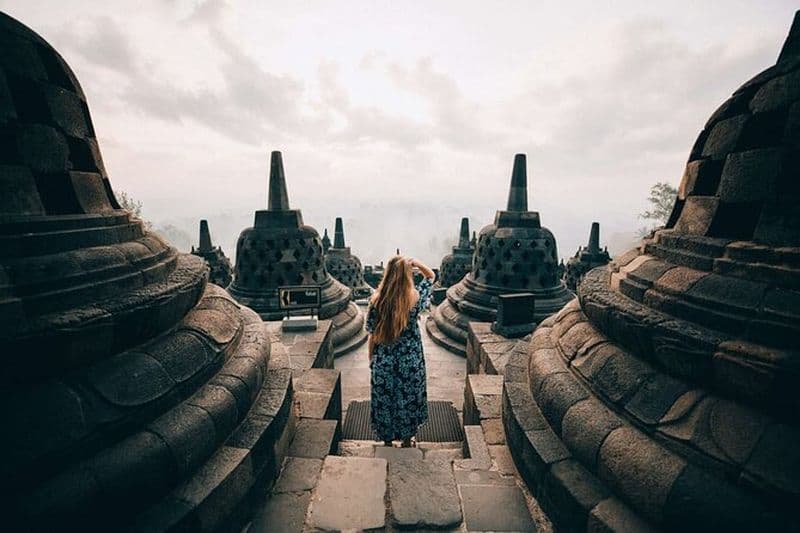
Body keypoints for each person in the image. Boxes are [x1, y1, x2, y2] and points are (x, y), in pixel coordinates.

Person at [365, 254, 435, 448]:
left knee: (385, 400)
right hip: (410, 360)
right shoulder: (415, 298)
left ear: (387, 273)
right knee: (408, 400)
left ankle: (387, 441)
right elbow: (430, 277)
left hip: (384, 360)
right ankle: (406, 440)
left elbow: (372, 334)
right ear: (407, 275)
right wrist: (415, 262)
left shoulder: (377, 300)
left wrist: (371, 359)